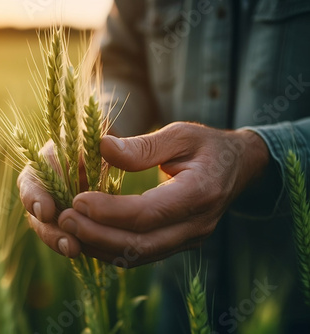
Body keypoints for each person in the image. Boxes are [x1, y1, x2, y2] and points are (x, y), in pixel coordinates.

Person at [19, 0, 310, 332]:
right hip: (177, 292)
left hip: (293, 299)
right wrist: (97, 132)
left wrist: (259, 155)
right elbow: (122, 66)